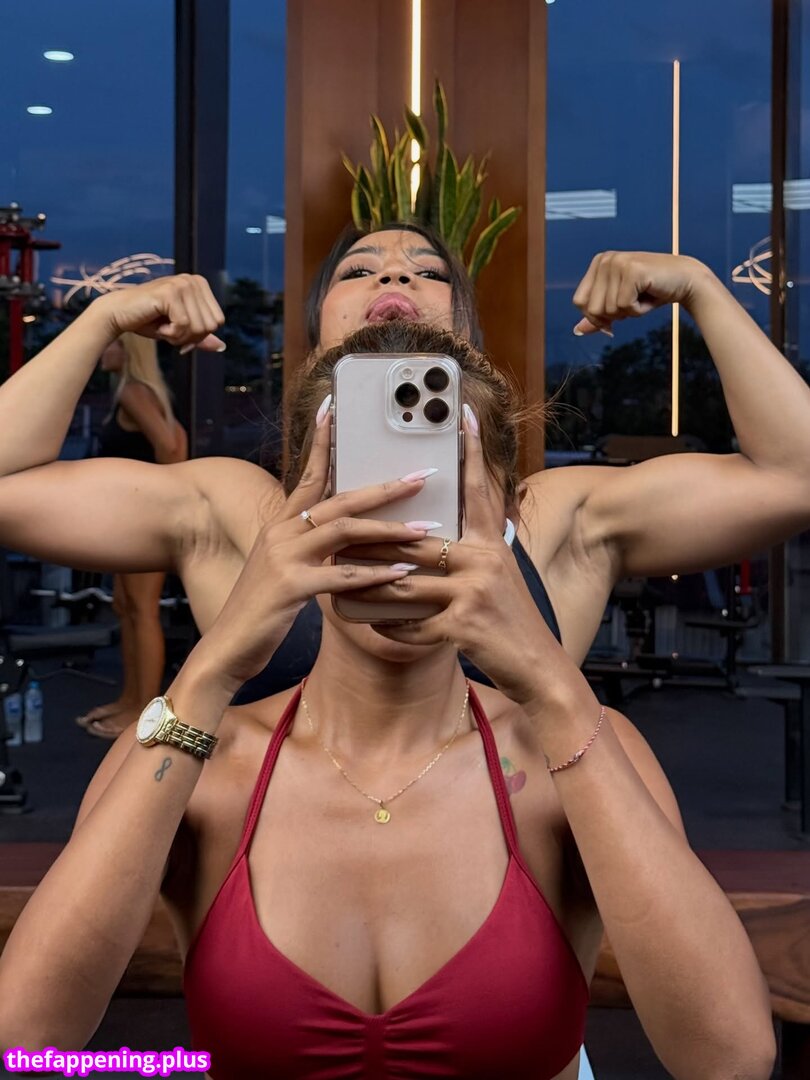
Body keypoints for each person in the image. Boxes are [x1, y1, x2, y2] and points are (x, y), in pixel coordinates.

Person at [0, 329, 776, 1077]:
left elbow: (730, 1057)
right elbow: (29, 1040)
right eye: (362, 495)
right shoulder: (204, 759)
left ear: (505, 523)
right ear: (295, 516)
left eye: (435, 497)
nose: (403, 540)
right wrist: (210, 671)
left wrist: (549, 683)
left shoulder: (574, 753)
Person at [76, 332, 188, 739]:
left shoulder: (132, 392)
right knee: (125, 606)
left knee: (142, 611)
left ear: (128, 350)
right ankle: (129, 700)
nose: (102, 350)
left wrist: (162, 502)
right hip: (131, 522)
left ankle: (144, 712)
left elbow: (171, 447)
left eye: (110, 343)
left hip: (145, 522)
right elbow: (178, 438)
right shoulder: (140, 392)